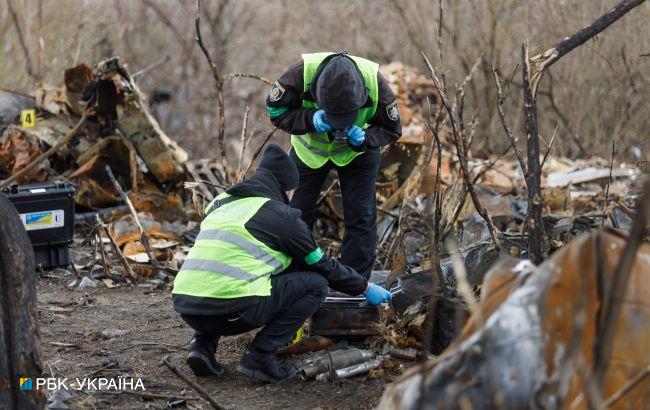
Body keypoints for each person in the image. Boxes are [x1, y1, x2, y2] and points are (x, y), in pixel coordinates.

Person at [172, 144, 392, 383]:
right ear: (285, 187)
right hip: (232, 311)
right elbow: (322, 265)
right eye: (292, 191)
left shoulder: (221, 203)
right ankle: (259, 356)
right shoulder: (281, 216)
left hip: (187, 306)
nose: (292, 197)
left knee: (216, 279)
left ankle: (201, 346)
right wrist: (365, 287)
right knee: (315, 284)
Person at [266, 52, 402, 279]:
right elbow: (276, 111)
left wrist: (366, 138)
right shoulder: (299, 75)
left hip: (357, 152)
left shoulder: (376, 85)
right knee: (294, 214)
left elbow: (392, 130)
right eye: (333, 117)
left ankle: (355, 281)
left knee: (361, 215)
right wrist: (309, 119)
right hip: (308, 152)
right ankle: (296, 279)